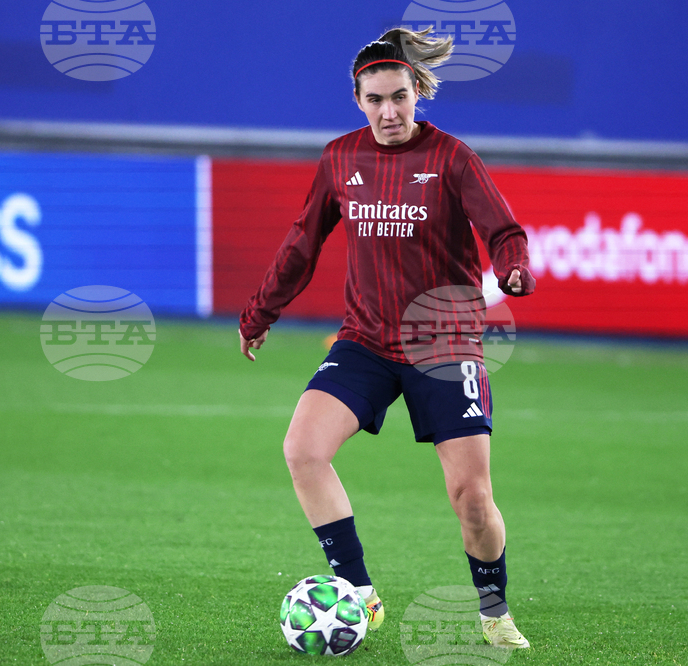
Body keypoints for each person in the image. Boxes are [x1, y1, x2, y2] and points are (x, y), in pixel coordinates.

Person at [238, 27, 535, 649]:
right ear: (358, 99)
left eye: (400, 97)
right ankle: (359, 594)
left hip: (445, 343)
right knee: (302, 449)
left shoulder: (451, 157)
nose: (389, 112)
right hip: (366, 341)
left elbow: (503, 228)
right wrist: (261, 311)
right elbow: (302, 243)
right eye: (375, 100)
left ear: (418, 92)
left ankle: (493, 610)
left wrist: (513, 266)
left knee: (471, 497)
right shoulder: (340, 158)